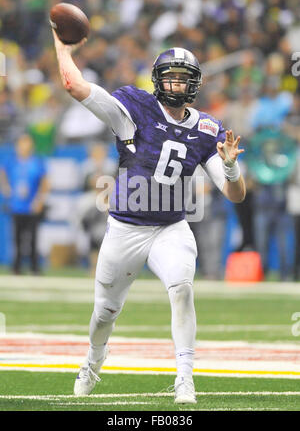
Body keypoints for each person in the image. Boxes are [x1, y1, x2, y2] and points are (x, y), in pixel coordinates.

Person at [52, 30, 246, 404]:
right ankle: (93, 360)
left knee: (182, 289)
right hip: (125, 227)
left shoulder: (207, 129)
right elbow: (75, 86)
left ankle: (185, 379)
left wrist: (232, 168)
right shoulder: (135, 108)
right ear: (158, 80)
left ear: (195, 84)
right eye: (172, 76)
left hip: (171, 227)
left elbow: (234, 194)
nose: (178, 83)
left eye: (185, 77)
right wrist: (63, 48)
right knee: (105, 312)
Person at [0, 134, 48, 274]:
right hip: (16, 206)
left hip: (31, 206)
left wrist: (39, 199)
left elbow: (45, 182)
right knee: (16, 239)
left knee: (33, 238)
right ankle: (16, 267)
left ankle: (34, 267)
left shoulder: (36, 162)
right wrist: (6, 188)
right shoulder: (12, 162)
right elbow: (2, 173)